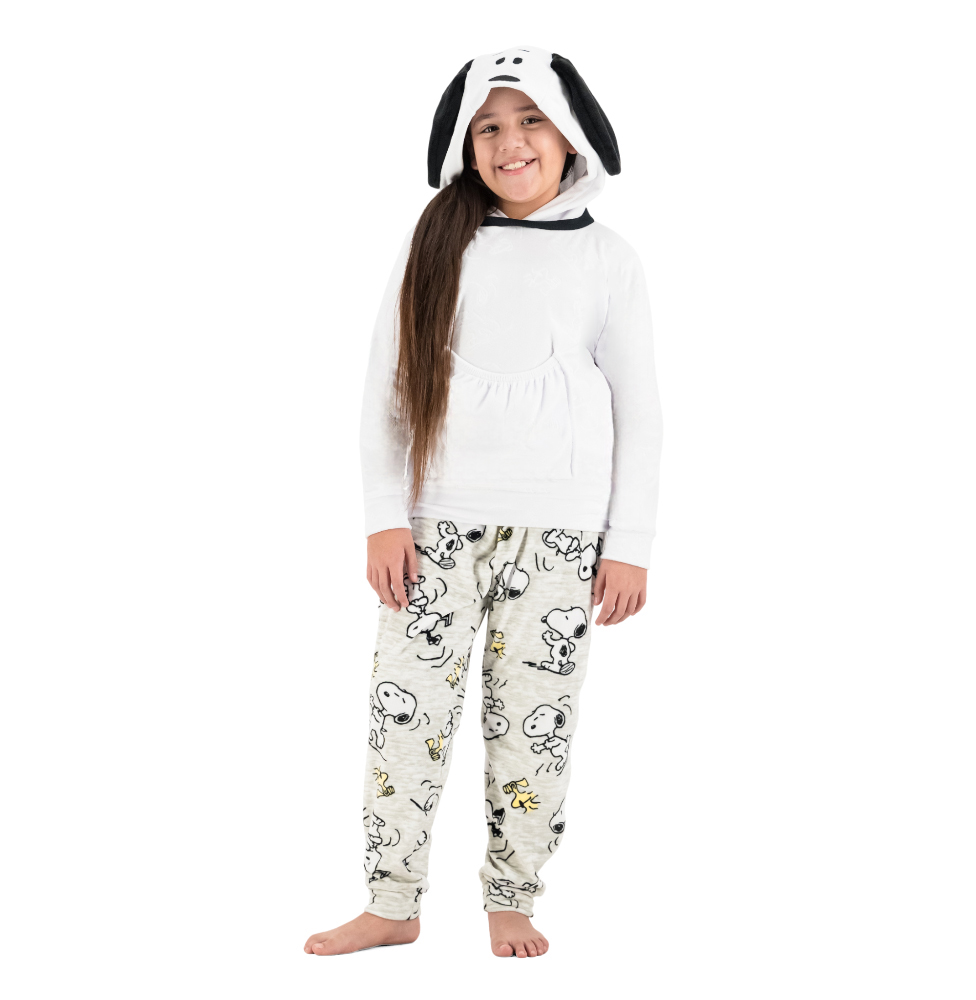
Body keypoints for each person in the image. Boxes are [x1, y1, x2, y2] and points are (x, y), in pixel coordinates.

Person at [305, 44, 662, 959]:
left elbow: (640, 408)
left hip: (562, 534)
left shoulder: (608, 259)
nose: (511, 143)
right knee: (406, 717)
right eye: (489, 128)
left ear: (570, 134)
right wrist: (385, 515)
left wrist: (629, 540)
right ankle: (393, 901)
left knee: (534, 726)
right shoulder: (435, 243)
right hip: (435, 527)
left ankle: (512, 895)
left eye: (531, 120)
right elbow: (386, 384)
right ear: (465, 148)